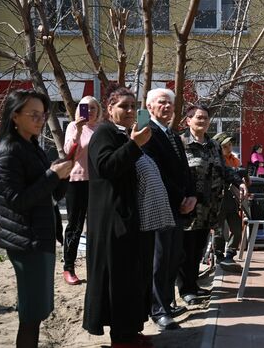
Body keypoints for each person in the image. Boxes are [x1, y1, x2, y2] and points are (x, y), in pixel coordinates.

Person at [0, 89, 73, 348]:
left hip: (40, 238)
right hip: (26, 242)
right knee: (31, 313)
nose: (40, 120)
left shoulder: (32, 146)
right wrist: (52, 176)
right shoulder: (8, 151)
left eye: (43, 114)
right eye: (33, 115)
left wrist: (63, 176)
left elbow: (47, 193)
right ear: (15, 116)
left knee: (38, 311)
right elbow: (18, 201)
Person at [82, 86, 154, 348]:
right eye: (124, 105)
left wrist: (135, 142)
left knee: (130, 276)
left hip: (127, 215)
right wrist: (134, 145)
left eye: (134, 106)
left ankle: (129, 330)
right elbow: (106, 167)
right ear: (110, 108)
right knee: (117, 278)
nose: (130, 111)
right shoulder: (104, 132)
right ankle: (120, 338)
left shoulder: (124, 133)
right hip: (110, 219)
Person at [141, 88, 197, 331]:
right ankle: (158, 309)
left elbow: (185, 169)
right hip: (160, 202)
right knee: (160, 258)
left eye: (170, 104)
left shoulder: (172, 134)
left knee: (173, 256)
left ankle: (167, 302)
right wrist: (181, 196)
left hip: (179, 204)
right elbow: (157, 172)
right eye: (161, 103)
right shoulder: (147, 133)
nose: (167, 107)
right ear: (150, 107)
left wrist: (192, 194)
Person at [179, 105, 246, 305]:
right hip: (189, 207)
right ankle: (185, 290)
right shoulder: (181, 142)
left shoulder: (213, 145)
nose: (203, 121)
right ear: (188, 120)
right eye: (198, 117)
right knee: (186, 249)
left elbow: (224, 169)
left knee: (199, 248)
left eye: (206, 118)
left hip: (210, 207)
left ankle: (194, 285)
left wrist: (238, 182)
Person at [62, 96, 102, 285]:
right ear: (79, 109)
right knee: (75, 226)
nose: (90, 111)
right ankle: (68, 268)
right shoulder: (73, 127)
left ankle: (95, 267)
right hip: (77, 181)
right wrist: (78, 129)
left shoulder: (102, 128)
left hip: (98, 184)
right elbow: (69, 152)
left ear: (98, 110)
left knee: (96, 227)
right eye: (85, 107)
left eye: (93, 108)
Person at [212, 132, 246, 272]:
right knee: (219, 230)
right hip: (218, 198)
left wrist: (241, 182)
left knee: (237, 228)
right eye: (225, 145)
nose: (229, 147)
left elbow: (239, 175)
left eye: (230, 144)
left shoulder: (234, 159)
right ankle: (219, 256)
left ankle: (230, 254)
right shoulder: (215, 159)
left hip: (232, 198)